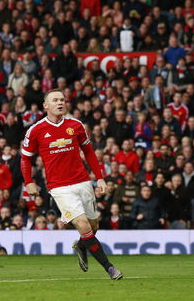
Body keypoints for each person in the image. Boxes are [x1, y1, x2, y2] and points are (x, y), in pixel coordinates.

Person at [21, 89, 123, 280]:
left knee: (92, 227)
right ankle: (110, 268)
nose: (60, 103)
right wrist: (29, 182)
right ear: (45, 105)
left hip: (83, 181)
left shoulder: (76, 125)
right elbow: (25, 158)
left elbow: (89, 152)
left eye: (62, 99)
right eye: (55, 100)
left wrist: (100, 178)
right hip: (59, 187)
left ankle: (82, 246)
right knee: (83, 225)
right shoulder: (35, 130)